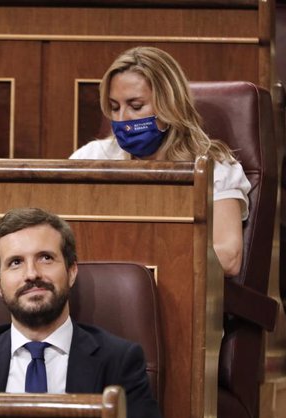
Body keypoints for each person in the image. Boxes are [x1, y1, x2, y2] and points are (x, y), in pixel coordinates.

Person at [0, 208, 172, 418]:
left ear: (71, 272)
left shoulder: (119, 360)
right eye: (15, 262)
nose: (32, 274)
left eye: (46, 258)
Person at [70, 46, 250, 277]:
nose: (122, 119)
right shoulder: (92, 157)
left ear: (169, 106)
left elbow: (228, 258)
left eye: (135, 106)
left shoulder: (214, 168)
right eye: (115, 108)